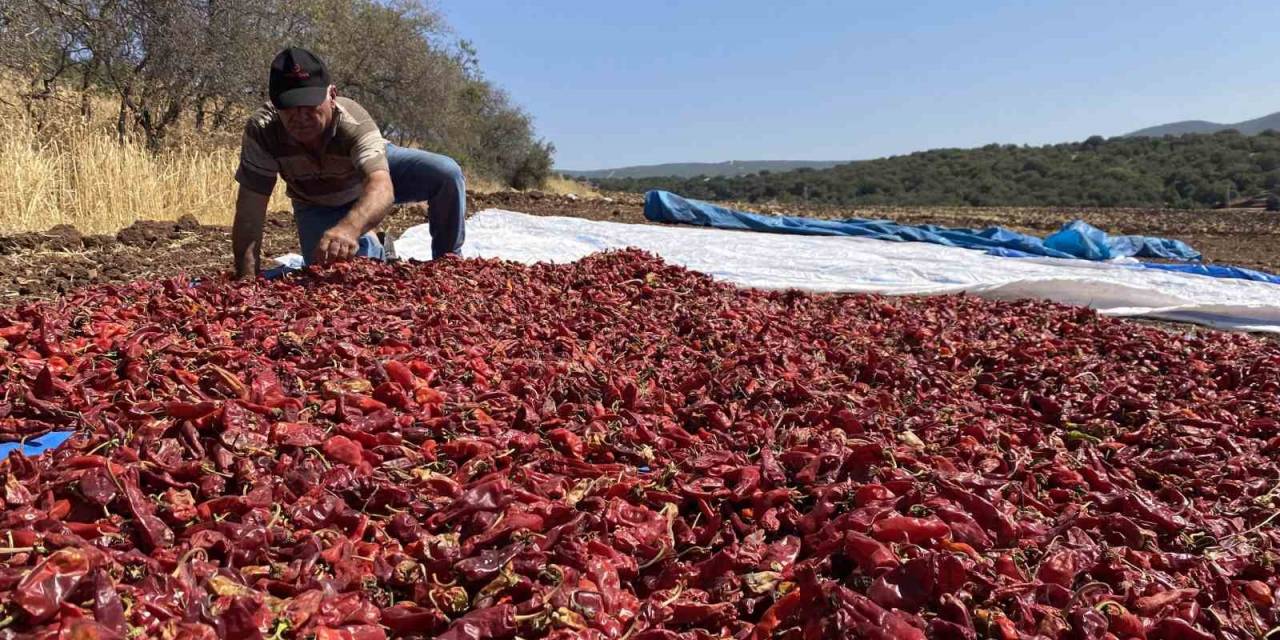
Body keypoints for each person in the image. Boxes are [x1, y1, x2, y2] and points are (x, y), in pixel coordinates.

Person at [231, 46, 465, 278]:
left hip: (365, 173)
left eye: (309, 104)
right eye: (289, 107)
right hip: (316, 201)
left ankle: (450, 263)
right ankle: (379, 247)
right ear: (274, 103)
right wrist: (246, 279)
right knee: (338, 271)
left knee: (445, 173)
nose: (301, 116)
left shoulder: (352, 121)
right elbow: (250, 210)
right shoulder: (263, 130)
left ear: (332, 95)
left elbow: (381, 186)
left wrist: (349, 228)